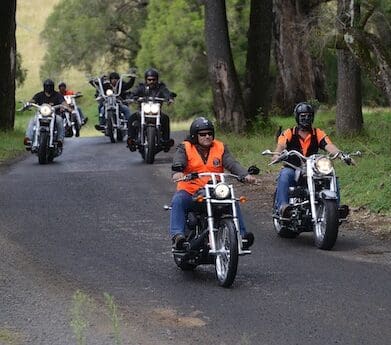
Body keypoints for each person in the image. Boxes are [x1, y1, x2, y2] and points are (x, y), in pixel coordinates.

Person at [169, 117, 256, 250]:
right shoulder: (185, 147)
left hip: (215, 190)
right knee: (178, 200)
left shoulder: (220, 147)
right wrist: (178, 171)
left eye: (210, 133)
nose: (207, 136)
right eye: (202, 134)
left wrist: (244, 175)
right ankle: (177, 236)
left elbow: (231, 163)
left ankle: (242, 236)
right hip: (191, 191)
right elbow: (178, 160)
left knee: (232, 200)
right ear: (194, 135)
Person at [272, 102, 349, 217]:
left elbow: (329, 146)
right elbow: (280, 146)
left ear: (312, 117)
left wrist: (342, 155)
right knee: (284, 174)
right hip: (293, 168)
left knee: (331, 175)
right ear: (297, 117)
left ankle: (335, 208)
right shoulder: (289, 133)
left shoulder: (317, 133)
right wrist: (277, 155)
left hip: (313, 169)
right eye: (303, 116)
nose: (306, 119)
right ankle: (283, 206)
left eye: (308, 116)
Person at [126, 68, 175, 151]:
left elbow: (166, 93)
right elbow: (134, 93)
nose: (151, 81)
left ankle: (166, 141)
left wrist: (169, 98)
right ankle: (131, 140)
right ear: (146, 80)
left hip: (157, 112)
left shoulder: (161, 87)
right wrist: (131, 97)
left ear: (157, 79)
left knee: (166, 118)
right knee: (131, 118)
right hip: (142, 112)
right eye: (149, 80)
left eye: (153, 79)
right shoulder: (141, 87)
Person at [24, 79, 71, 150]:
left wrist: (67, 107)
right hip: (41, 115)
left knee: (60, 120)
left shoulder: (57, 95)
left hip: (54, 115)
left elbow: (63, 102)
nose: (48, 88)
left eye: (50, 86)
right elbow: (33, 100)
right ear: (44, 87)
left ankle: (60, 140)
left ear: (52, 87)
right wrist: (28, 104)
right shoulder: (40, 95)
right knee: (32, 120)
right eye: (47, 86)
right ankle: (28, 139)